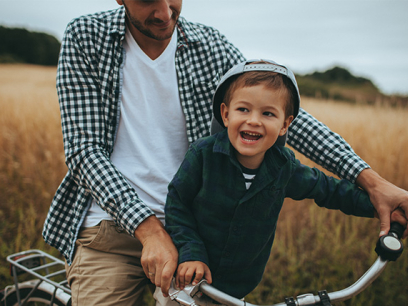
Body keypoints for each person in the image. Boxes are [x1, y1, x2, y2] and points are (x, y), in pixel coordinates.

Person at [42, 1, 408, 305]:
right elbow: (83, 150)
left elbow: (283, 113)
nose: (163, 12)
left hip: (200, 233)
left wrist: (369, 181)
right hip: (112, 226)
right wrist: (150, 231)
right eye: (146, 0)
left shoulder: (210, 45)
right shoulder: (86, 36)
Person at [162, 60, 377, 302]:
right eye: (243, 109)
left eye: (268, 113)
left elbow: (328, 189)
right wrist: (191, 252)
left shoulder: (284, 167)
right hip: (186, 281)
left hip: (237, 290)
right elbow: (176, 204)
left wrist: (377, 206)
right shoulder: (203, 155)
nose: (254, 120)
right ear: (225, 114)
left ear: (285, 124)